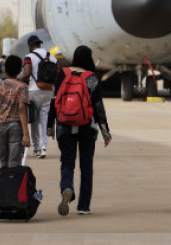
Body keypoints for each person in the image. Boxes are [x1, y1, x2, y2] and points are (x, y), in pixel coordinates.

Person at [47, 45, 111, 216]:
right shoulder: (92, 79)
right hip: (87, 127)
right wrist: (105, 131)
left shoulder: (62, 74)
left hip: (64, 125)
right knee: (86, 166)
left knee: (67, 162)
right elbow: (98, 108)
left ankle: (67, 188)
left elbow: (54, 100)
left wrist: (49, 126)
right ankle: (83, 206)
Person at [0, 55, 30, 168]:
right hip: (15, 126)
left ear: (5, 70)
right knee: (14, 162)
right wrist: (26, 134)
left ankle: (4, 183)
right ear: (20, 70)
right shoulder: (22, 87)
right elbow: (21, 109)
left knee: (3, 162)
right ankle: (13, 183)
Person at [20, 35, 57, 158]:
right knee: (45, 120)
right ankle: (44, 147)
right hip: (48, 91)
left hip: (34, 91)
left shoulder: (29, 57)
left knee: (34, 121)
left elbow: (27, 73)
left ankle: (36, 148)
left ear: (30, 46)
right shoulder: (51, 56)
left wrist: (17, 81)